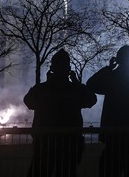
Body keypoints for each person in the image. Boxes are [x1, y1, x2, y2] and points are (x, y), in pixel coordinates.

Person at [24, 49, 98, 177]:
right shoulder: (74, 90)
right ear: (68, 69)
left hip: (44, 144)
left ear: (52, 68)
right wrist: (76, 83)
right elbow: (91, 99)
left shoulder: (42, 89)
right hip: (70, 144)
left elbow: (29, 101)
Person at [86, 45, 129, 177]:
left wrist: (109, 69)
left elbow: (91, 84)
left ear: (119, 60)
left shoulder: (112, 78)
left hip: (114, 137)